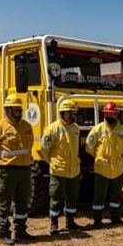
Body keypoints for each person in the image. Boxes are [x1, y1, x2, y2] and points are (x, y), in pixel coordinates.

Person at [0, 94, 35, 245]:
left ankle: (20, 232)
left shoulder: (27, 126)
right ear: (7, 110)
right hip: (7, 172)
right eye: (15, 109)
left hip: (25, 170)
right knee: (4, 203)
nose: (18, 112)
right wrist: (1, 162)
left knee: (22, 202)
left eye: (20, 109)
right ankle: (3, 234)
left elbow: (30, 146)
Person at [40, 99, 81, 235]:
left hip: (74, 171)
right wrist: (52, 162)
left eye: (74, 113)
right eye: (71, 113)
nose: (74, 115)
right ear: (64, 113)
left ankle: (70, 222)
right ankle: (54, 224)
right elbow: (44, 150)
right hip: (59, 171)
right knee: (56, 198)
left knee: (72, 197)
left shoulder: (76, 128)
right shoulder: (52, 129)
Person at [85, 102, 123, 229]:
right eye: (107, 114)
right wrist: (100, 157)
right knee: (99, 196)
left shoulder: (122, 130)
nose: (109, 116)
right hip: (101, 168)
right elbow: (89, 147)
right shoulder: (97, 129)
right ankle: (97, 220)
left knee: (116, 195)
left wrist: (117, 157)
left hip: (117, 168)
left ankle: (116, 218)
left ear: (116, 114)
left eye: (112, 114)